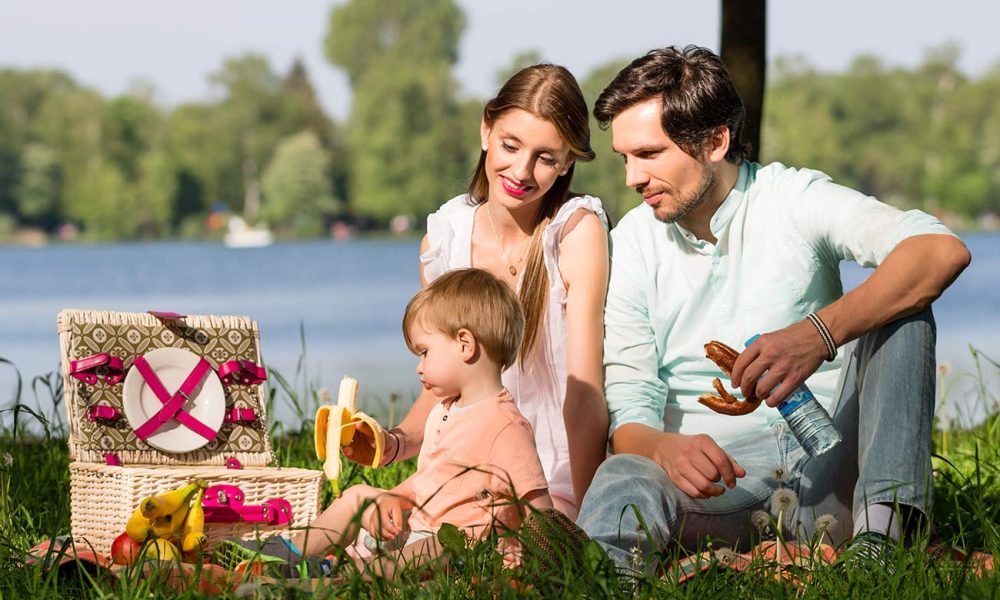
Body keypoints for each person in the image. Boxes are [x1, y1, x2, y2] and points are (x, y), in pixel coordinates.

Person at [576, 45, 971, 572]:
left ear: (715, 141)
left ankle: (879, 546)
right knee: (622, 473)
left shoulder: (791, 198)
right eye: (625, 157)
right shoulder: (631, 243)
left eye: (649, 154)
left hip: (830, 471)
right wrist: (660, 446)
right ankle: (607, 578)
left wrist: (817, 335)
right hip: (715, 486)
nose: (632, 178)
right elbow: (630, 407)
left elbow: (940, 250)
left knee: (903, 311)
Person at [345, 64, 611, 518]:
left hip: (552, 477)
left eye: (546, 157)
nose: (521, 170)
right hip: (467, 468)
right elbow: (450, 380)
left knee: (454, 548)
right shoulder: (445, 240)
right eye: (510, 145)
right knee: (361, 515)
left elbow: (583, 393)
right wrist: (395, 443)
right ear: (486, 130)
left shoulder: (573, 233)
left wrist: (588, 526)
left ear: (567, 162)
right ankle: (278, 572)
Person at [216, 268, 553, 579]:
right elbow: (430, 479)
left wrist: (525, 562)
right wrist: (391, 499)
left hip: (458, 551)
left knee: (448, 544)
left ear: (464, 344)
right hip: (417, 527)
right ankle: (287, 553)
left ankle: (338, 574)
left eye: (424, 352)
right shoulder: (446, 410)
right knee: (357, 496)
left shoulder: (505, 427)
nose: (419, 368)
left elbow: (540, 509)